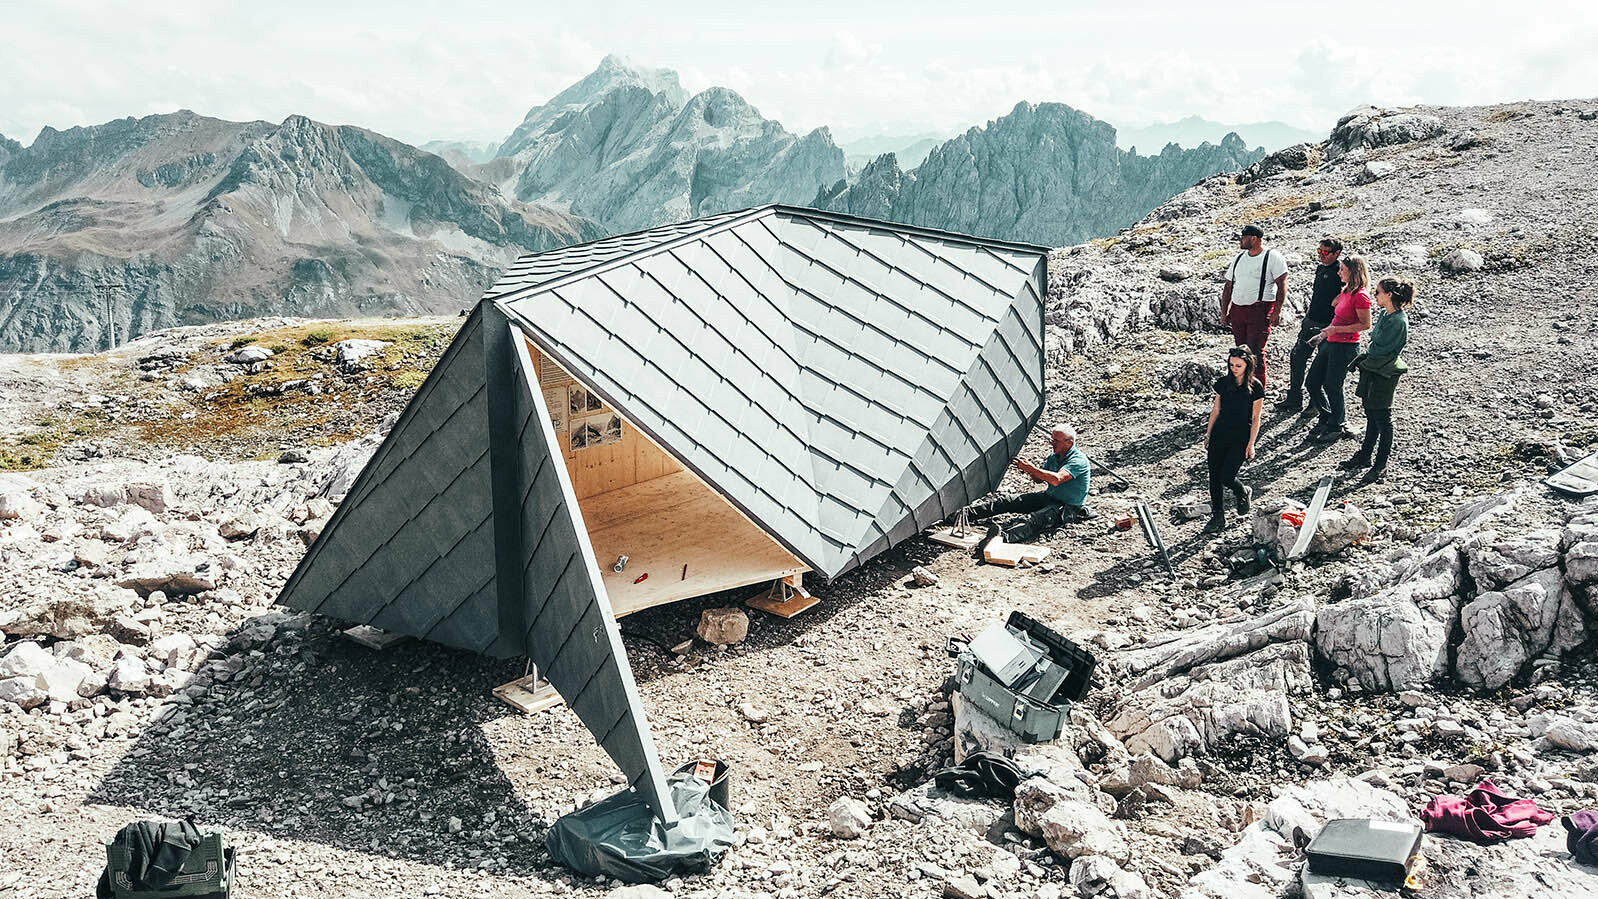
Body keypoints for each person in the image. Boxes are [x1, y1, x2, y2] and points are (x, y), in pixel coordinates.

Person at [1341, 277, 1414, 481]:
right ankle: (1365, 455)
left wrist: (1367, 360)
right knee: (1371, 413)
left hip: (1384, 371)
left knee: (1382, 417)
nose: (1375, 296)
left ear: (1389, 295)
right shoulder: (1385, 314)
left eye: (1378, 292)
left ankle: (1381, 464)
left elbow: (1383, 348)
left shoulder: (1399, 321)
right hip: (1373, 368)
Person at [963, 424, 1093, 526]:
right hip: (1049, 497)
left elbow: (1057, 479)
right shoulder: (1054, 457)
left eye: (1056, 441)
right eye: (1051, 440)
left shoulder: (1078, 460)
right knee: (1007, 501)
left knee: (1030, 521)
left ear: (1069, 443)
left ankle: (999, 538)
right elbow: (1038, 480)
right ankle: (964, 515)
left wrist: (1031, 468)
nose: (1052, 443)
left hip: (1067, 507)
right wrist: (1028, 469)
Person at [1305, 254, 1372, 441]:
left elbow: (1365, 324)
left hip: (1346, 346)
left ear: (1353, 272)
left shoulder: (1361, 296)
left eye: (1342, 269)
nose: (1339, 272)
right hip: (1331, 341)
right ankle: (1327, 416)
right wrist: (1325, 333)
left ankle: (1337, 424)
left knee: (1333, 385)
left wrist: (1336, 329)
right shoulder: (1346, 291)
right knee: (1312, 381)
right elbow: (1337, 308)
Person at [1219, 224, 1288, 389]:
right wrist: (1224, 312)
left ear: (1254, 239)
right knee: (1240, 351)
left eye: (1244, 237)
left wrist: (1276, 311)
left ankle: (1257, 391)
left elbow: (1282, 285)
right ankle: (1241, 386)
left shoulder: (1272, 257)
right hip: (1238, 311)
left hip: (1259, 310)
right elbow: (1228, 286)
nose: (1240, 240)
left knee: (1255, 351)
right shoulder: (1239, 258)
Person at [1202, 346, 1264, 533]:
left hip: (1240, 436)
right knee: (1214, 476)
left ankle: (1242, 491)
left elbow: (1256, 418)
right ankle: (1218, 515)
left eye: (1238, 365)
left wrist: (1251, 443)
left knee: (1226, 476)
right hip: (1220, 432)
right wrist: (1208, 434)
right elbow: (1216, 410)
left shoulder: (1255, 387)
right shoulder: (1222, 383)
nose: (1234, 368)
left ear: (1247, 365)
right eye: (1231, 365)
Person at [1281, 237, 1345, 412]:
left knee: (1320, 364)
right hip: (1311, 320)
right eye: (1319, 251)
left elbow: (1350, 292)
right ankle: (1294, 398)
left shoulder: (1341, 271)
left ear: (1336, 253)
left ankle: (1316, 403)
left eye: (1325, 252)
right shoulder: (1320, 268)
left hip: (1327, 324)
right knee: (1297, 357)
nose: (1321, 255)